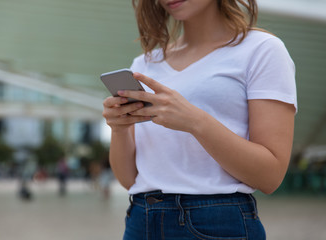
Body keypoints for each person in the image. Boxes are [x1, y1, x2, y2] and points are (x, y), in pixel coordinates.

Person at [102, 0, 297, 239]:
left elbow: (270, 176)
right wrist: (119, 128)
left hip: (217, 223)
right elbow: (129, 179)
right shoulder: (144, 63)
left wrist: (194, 121)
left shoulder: (262, 50)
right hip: (141, 220)